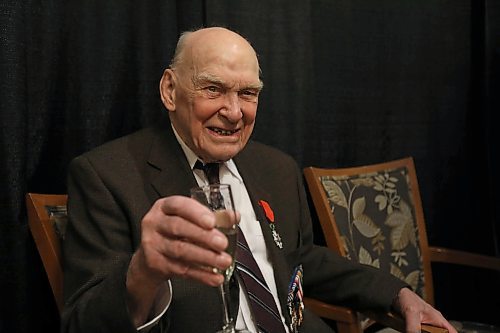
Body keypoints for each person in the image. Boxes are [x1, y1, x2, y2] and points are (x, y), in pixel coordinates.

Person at [61, 27, 456, 333]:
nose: (234, 112)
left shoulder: (276, 168)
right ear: (170, 90)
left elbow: (299, 259)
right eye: (213, 88)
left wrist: (397, 294)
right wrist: (142, 274)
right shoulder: (106, 175)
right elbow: (82, 323)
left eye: (248, 93)